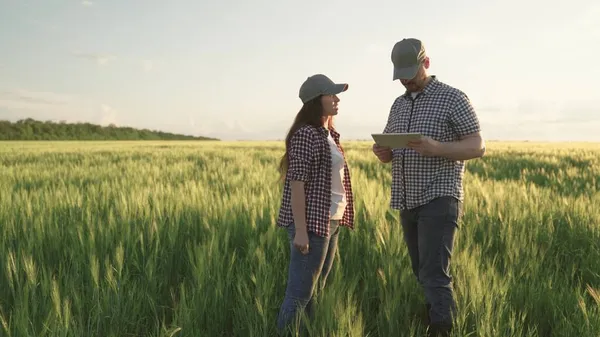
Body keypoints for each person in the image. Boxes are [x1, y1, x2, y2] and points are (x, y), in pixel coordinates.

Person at [372, 38, 486, 337]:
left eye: (411, 72)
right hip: (407, 200)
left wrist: (437, 148)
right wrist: (385, 153)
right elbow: (391, 146)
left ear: (427, 63)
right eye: (401, 75)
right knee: (421, 269)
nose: (406, 80)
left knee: (434, 272)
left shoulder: (453, 98)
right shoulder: (397, 105)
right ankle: (436, 317)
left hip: (439, 195)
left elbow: (477, 146)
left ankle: (441, 329)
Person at [275, 74, 355, 334]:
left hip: (330, 221)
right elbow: (296, 183)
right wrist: (300, 231)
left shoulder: (328, 133)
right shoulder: (306, 134)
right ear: (315, 101)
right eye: (331, 94)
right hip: (311, 223)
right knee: (299, 295)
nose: (337, 98)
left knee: (316, 291)